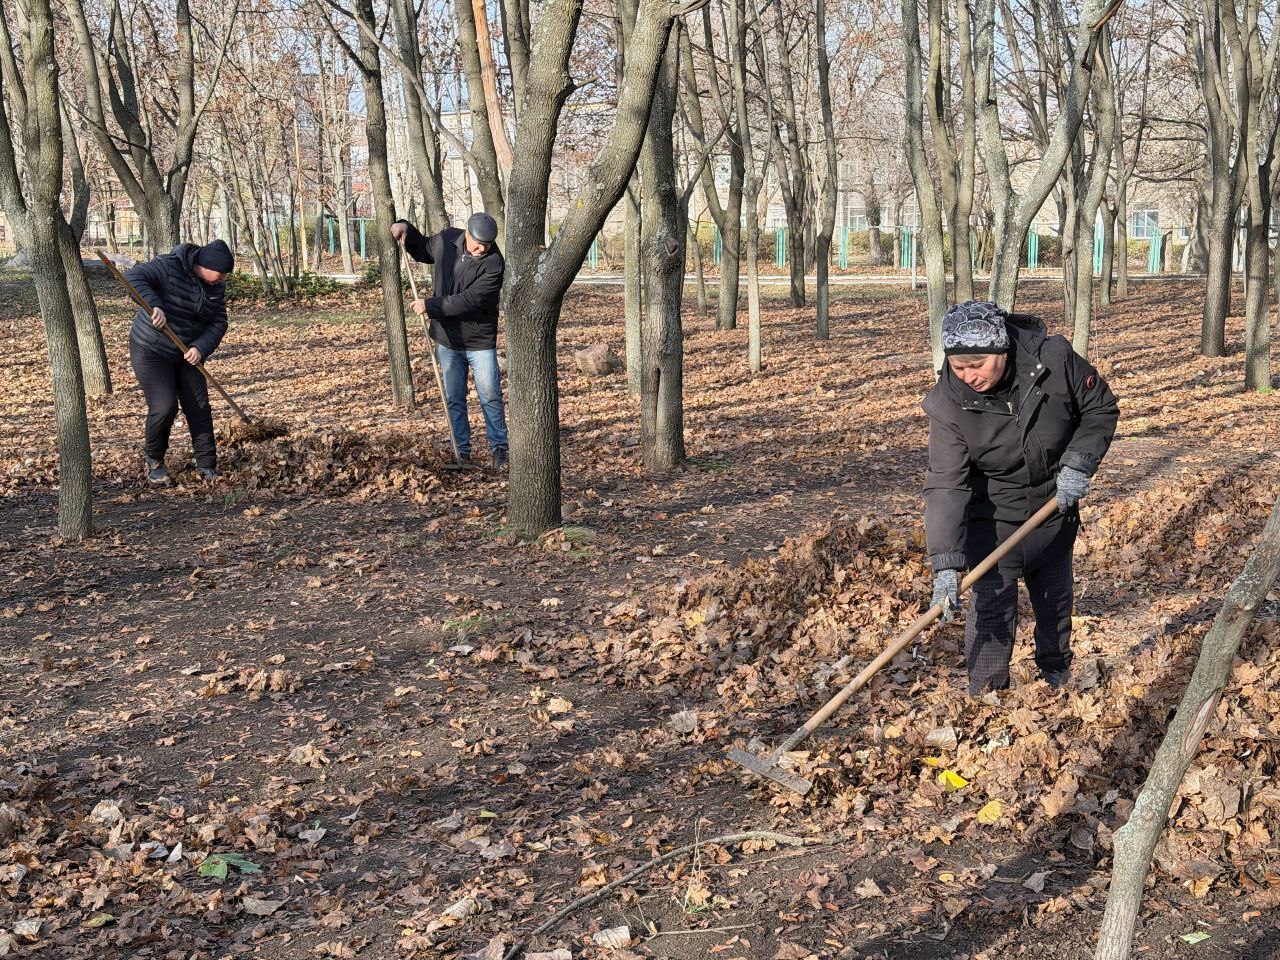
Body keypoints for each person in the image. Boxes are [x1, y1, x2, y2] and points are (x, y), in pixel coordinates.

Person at [923, 300, 1119, 696]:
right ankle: (987, 694)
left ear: (1002, 351)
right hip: (991, 518)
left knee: (1054, 601)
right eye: (958, 367)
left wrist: (1078, 464)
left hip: (1052, 506)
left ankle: (1056, 676)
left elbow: (1099, 409)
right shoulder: (949, 402)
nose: (968, 376)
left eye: (976, 365)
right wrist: (945, 562)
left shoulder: (1055, 360)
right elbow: (946, 483)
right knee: (992, 607)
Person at [391, 212, 509, 470]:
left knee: (490, 396)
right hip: (447, 339)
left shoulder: (494, 264)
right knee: (454, 398)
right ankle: (462, 452)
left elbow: (470, 301)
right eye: (478, 243)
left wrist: (430, 305)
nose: (481, 249)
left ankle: (499, 449)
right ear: (467, 233)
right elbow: (423, 250)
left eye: (486, 246)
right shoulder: (446, 240)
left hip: (479, 341)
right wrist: (406, 229)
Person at [125, 239, 233, 484]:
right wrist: (155, 306)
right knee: (164, 406)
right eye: (221, 273)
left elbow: (219, 322)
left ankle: (207, 466)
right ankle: (154, 461)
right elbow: (133, 277)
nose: (223, 279)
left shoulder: (215, 286)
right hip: (151, 349)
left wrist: (200, 347)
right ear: (205, 265)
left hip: (187, 353)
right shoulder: (169, 266)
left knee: (199, 408)